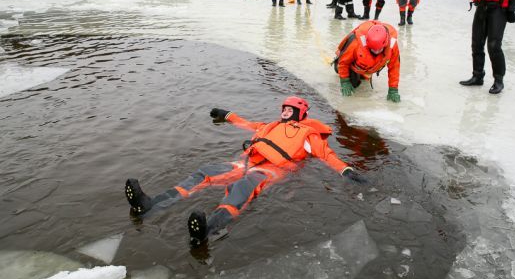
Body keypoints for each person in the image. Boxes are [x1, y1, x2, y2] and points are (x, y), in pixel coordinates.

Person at [125, 96, 365, 244]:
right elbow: (245, 123)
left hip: (273, 169)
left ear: (301, 114)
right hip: (248, 162)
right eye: (283, 108)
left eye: (290, 110)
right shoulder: (269, 126)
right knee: (206, 171)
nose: (285, 112)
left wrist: (346, 171)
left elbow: (326, 155)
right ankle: (150, 204)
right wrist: (226, 115)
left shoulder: (308, 133)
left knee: (242, 187)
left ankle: (209, 228)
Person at [332, 20, 401, 102]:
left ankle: (364, 75)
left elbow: (394, 68)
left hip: (367, 67)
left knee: (363, 80)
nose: (375, 52)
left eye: (378, 50)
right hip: (351, 65)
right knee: (353, 83)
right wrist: (344, 81)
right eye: (373, 49)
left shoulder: (392, 46)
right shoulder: (356, 43)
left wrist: (393, 89)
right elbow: (343, 62)